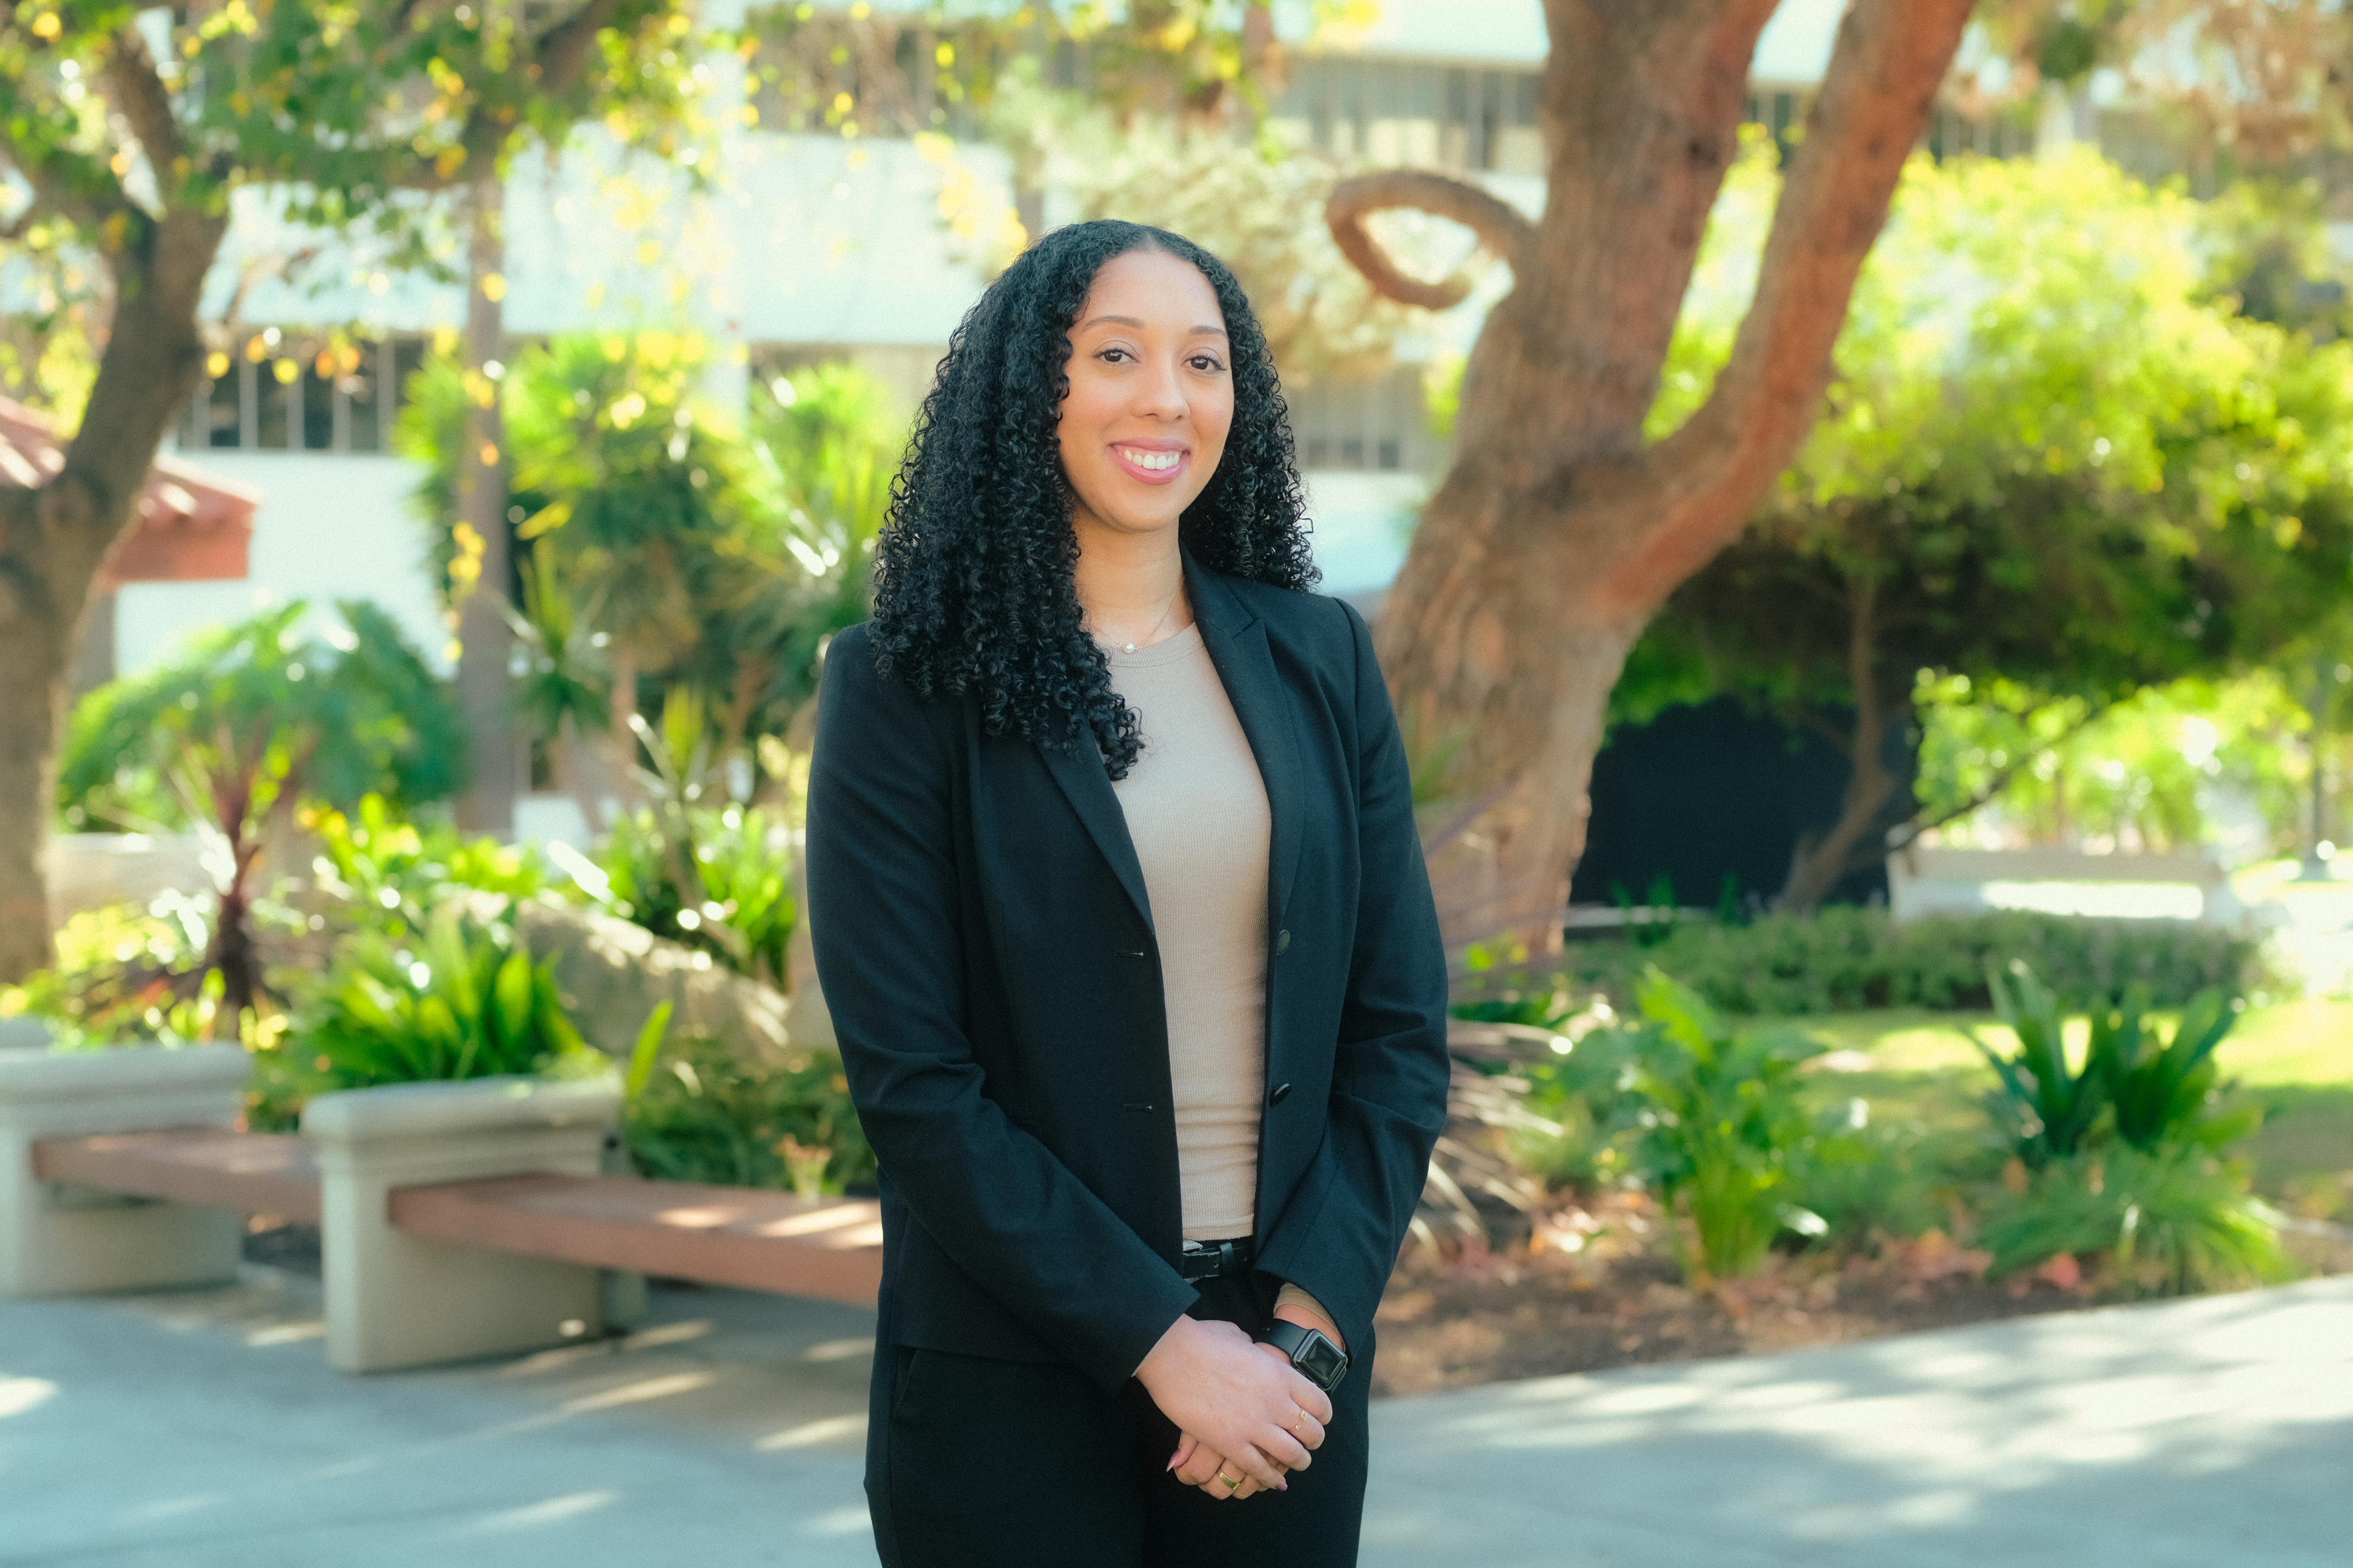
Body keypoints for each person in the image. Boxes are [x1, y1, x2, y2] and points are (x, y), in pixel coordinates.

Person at [806, 218, 1450, 1568]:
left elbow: (1395, 1039)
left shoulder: (1320, 657)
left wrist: (1304, 1332)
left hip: (1282, 1371)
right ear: (1027, 387)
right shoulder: (900, 690)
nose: (1167, 395)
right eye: (1116, 353)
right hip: (1005, 1375)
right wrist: (1162, 1345)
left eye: (1203, 361)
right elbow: (915, 1081)